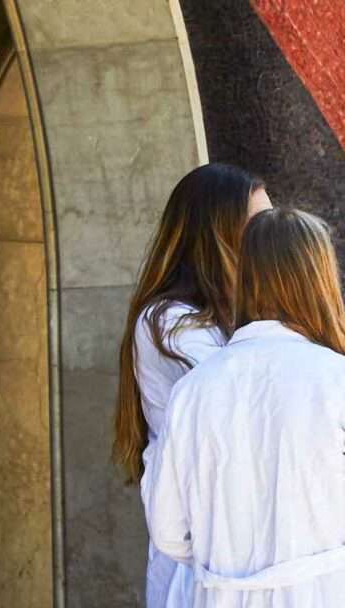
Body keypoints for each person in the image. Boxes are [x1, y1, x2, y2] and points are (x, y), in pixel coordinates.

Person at [144, 208, 345, 607]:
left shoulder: (192, 391)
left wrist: (233, 568)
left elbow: (168, 529)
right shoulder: (342, 380)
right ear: (320, 279)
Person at [110, 162, 272, 608]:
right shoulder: (167, 322)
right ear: (216, 235)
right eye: (259, 228)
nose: (272, 243)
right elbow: (242, 410)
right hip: (203, 557)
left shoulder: (237, 317)